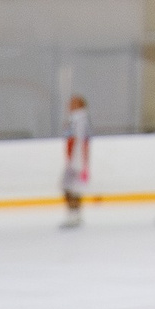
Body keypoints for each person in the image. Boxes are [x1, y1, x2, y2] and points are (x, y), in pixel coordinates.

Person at [60, 95, 90, 227]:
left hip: (75, 159)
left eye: (73, 102)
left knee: (68, 187)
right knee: (73, 187)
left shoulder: (77, 119)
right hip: (76, 159)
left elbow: (79, 140)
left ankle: (73, 215)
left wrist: (77, 160)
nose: (69, 104)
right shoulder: (80, 118)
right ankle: (76, 215)